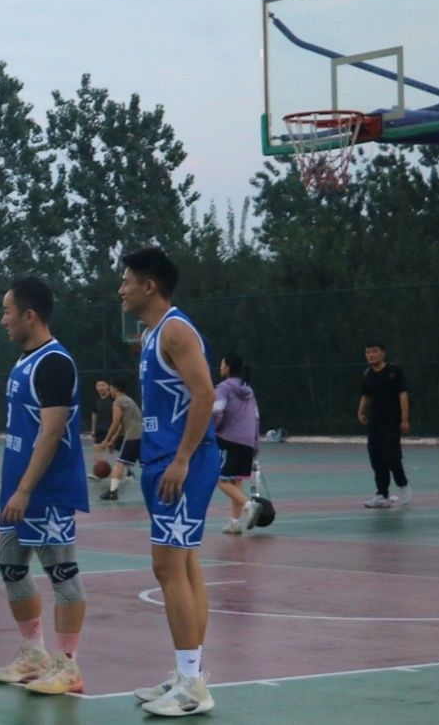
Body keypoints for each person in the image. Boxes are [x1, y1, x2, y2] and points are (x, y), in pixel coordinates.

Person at [121, 247, 218, 717]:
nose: (121, 289)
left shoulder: (176, 331)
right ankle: (187, 674)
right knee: (185, 564)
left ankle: (193, 686)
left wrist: (182, 459)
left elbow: (205, 394)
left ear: (149, 286)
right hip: (162, 461)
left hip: (183, 463)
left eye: (126, 281)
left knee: (167, 568)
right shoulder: (152, 334)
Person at [0, 277, 89, 696]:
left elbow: (51, 432)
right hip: (17, 485)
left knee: (62, 573)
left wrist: (26, 488)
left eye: (7, 311)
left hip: (46, 490)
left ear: (29, 315)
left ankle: (68, 665)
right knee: (11, 567)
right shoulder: (25, 360)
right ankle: (34, 653)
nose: (3, 320)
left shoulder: (54, 363)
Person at [357, 343, 411, 508]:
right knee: (376, 458)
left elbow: (403, 395)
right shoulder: (367, 374)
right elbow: (366, 395)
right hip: (374, 422)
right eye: (367, 352)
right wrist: (361, 411)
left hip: (392, 421)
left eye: (374, 351)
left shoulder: (394, 372)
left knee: (391, 456)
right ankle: (382, 495)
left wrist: (404, 419)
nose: (370, 355)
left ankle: (403, 485)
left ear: (383, 354)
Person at [212, 355, 260, 534]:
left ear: (228, 367)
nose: (220, 366)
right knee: (235, 479)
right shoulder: (248, 390)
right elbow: (256, 417)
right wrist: (255, 443)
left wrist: (214, 428)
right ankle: (234, 522)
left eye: (222, 363)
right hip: (247, 441)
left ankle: (249, 506)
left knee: (220, 480)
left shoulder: (223, 388)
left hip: (229, 440)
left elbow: (217, 411)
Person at [98, 378, 141, 501]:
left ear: (115, 389)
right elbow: (122, 424)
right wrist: (113, 440)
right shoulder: (129, 400)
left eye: (110, 388)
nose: (109, 391)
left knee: (119, 463)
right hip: (143, 434)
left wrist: (106, 440)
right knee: (148, 463)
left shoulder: (117, 402)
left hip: (133, 435)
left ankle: (112, 492)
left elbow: (115, 423)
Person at [90, 380, 113, 476]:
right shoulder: (96, 401)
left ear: (108, 386)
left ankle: (129, 472)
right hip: (100, 429)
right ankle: (98, 473)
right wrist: (93, 429)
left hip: (113, 429)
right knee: (96, 448)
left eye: (103, 385)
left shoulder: (113, 399)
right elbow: (94, 415)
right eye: (98, 385)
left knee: (115, 451)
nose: (100, 388)